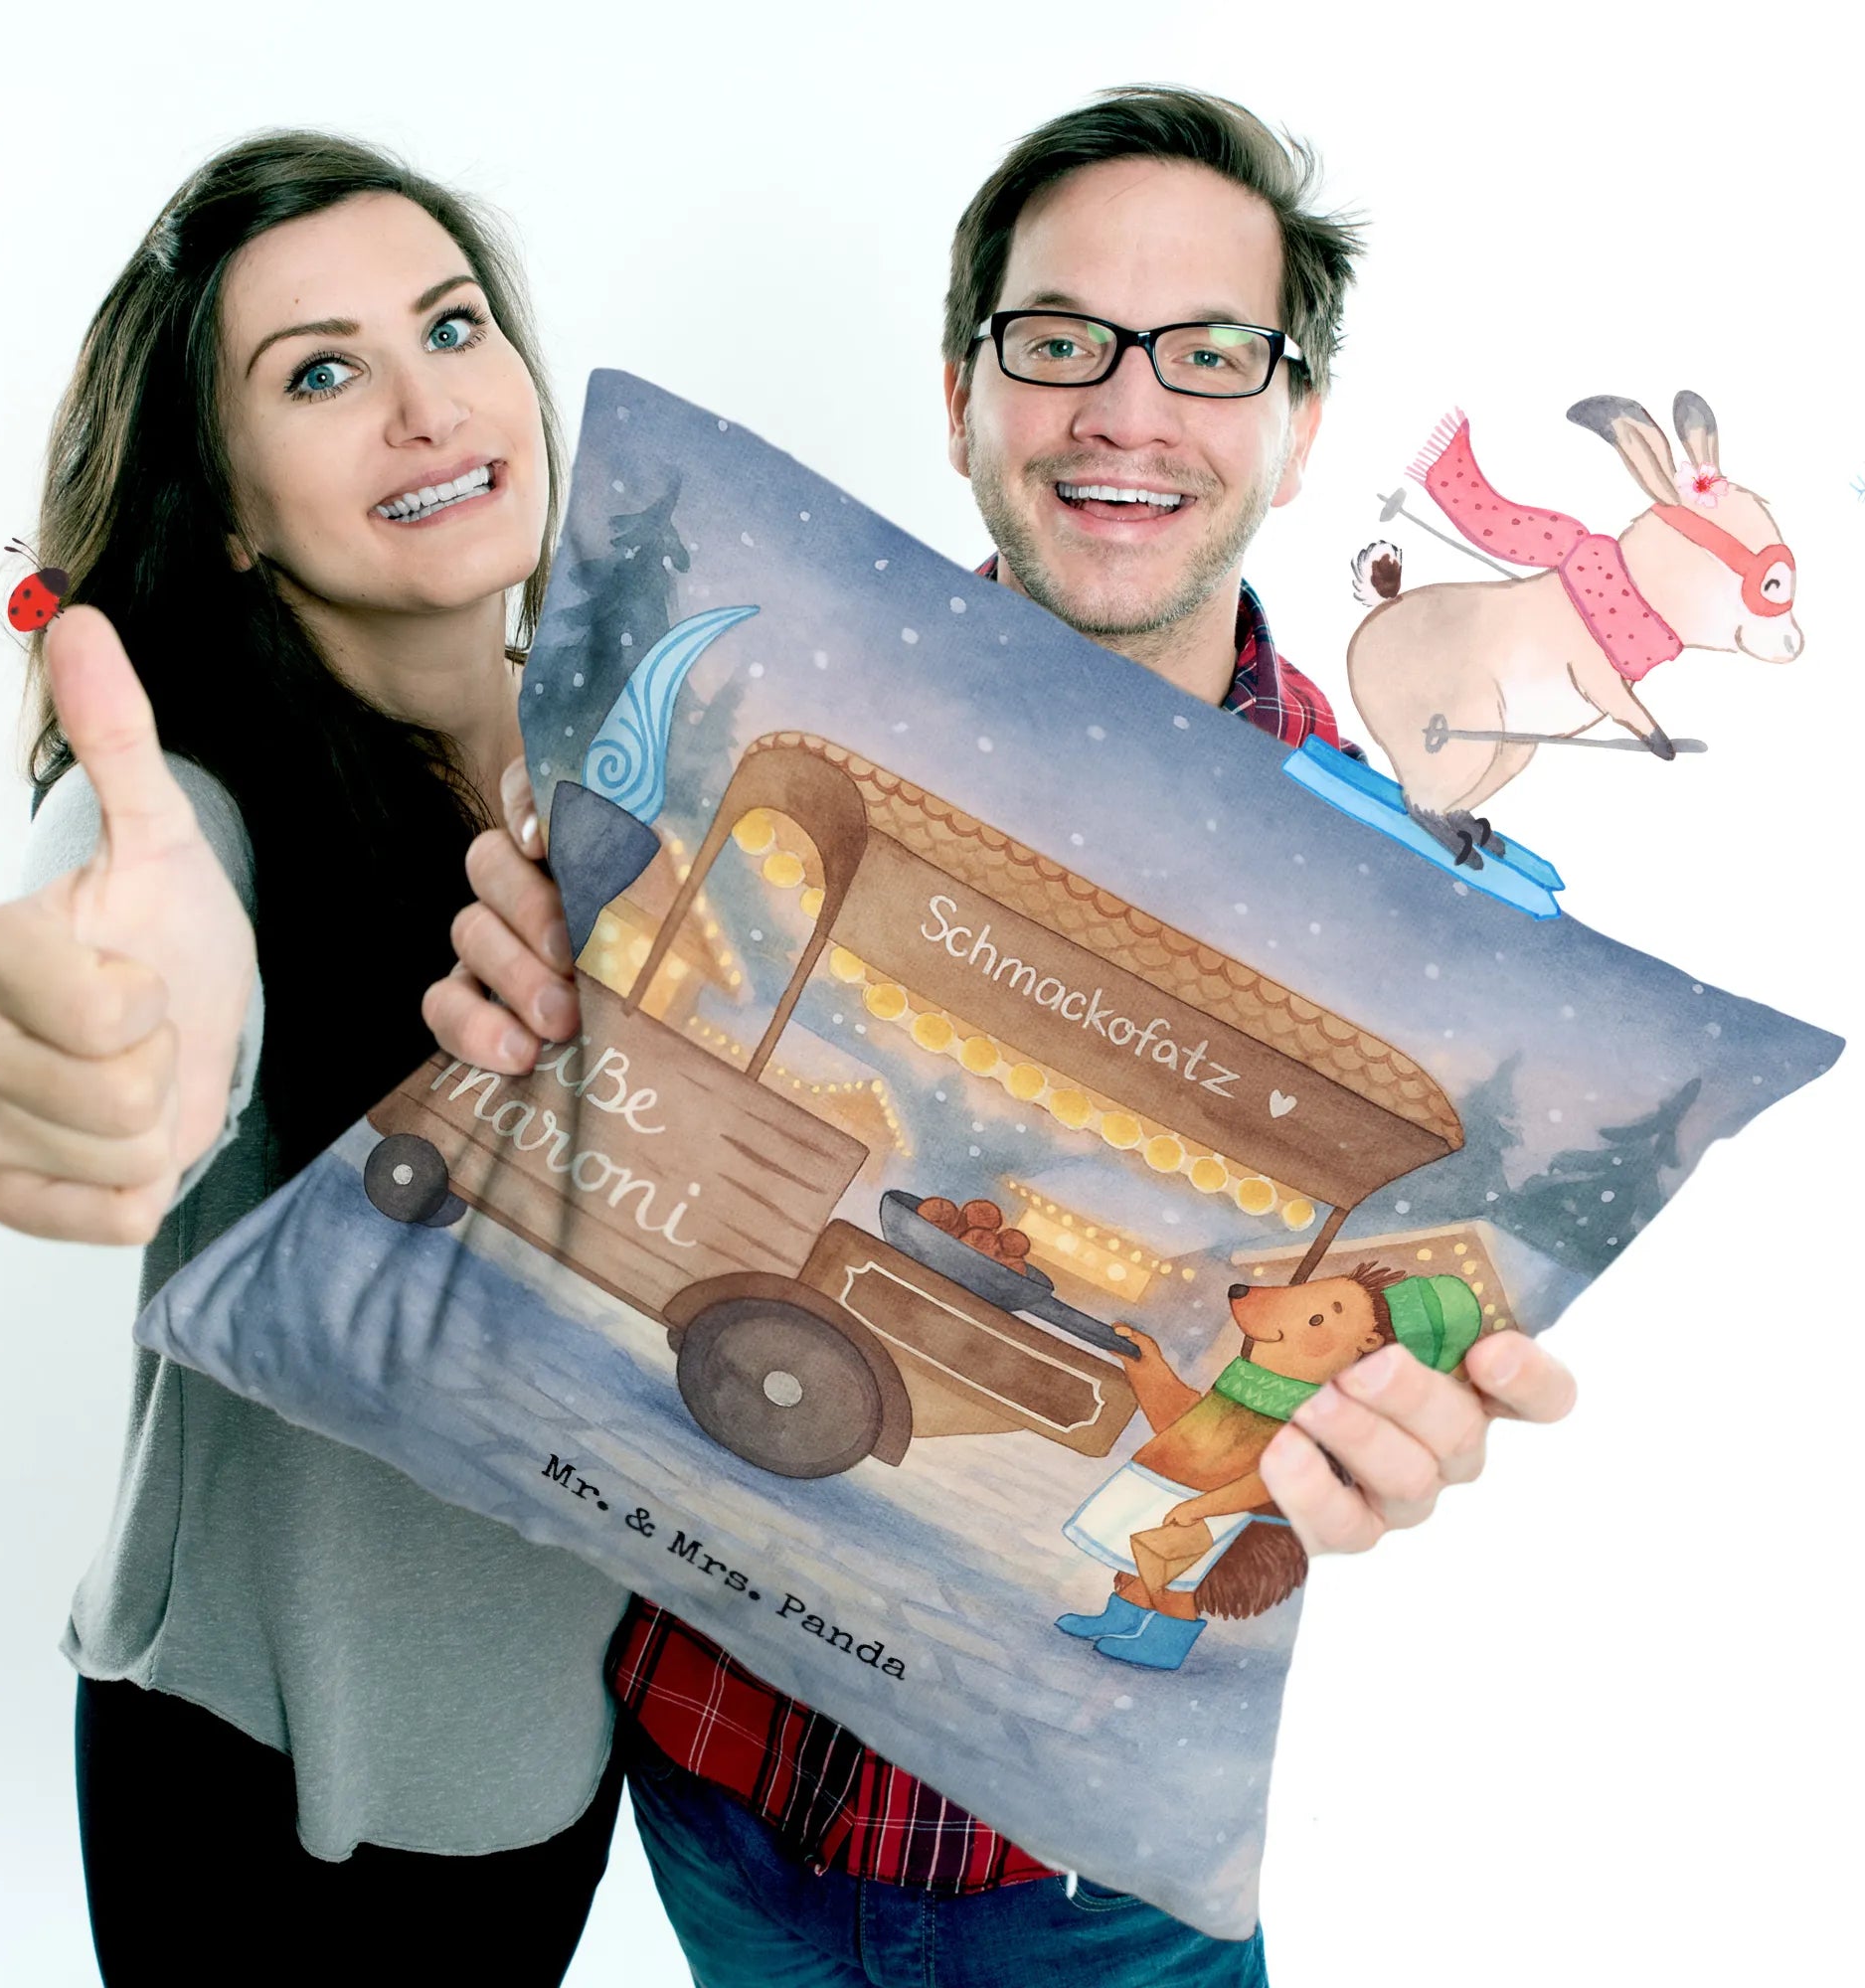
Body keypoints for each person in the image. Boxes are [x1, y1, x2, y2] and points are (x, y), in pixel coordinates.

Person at [428, 86, 1580, 1986]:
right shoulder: (758, 721)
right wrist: (514, 1026)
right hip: (706, 1791)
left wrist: (1391, 1434)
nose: (1129, 409)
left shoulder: (1417, 923)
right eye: (1061, 342)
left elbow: (1358, 1356)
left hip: (1091, 1886)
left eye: (1211, 353)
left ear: (1297, 431)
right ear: (962, 394)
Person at [0, 134, 627, 1985]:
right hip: (267, 1795)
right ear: (229, 511)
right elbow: (138, 924)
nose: (425, 406)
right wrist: (106, 1023)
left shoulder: (634, 773)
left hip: (555, 1761)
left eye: (452, 327)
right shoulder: (196, 805)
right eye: (320, 373)